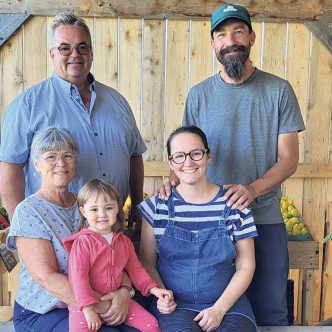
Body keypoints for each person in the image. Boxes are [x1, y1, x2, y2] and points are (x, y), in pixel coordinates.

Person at [181, 4, 306, 326]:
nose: (230, 40)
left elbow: (289, 159)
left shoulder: (279, 90)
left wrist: (252, 190)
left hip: (264, 218)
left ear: (251, 37)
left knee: (271, 313)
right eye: (221, 35)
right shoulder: (198, 95)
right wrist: (175, 187)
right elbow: (185, 154)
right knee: (213, 313)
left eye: (238, 31)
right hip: (211, 222)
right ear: (213, 44)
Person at [0, 12, 145, 237]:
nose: (74, 54)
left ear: (91, 53)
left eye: (82, 47)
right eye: (64, 47)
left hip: (114, 230)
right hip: (56, 234)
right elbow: (10, 168)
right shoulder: (27, 105)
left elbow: (134, 155)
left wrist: (137, 204)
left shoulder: (117, 101)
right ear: (52, 54)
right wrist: (22, 230)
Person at [6, 127, 139, 332]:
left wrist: (124, 291)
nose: (61, 163)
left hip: (95, 300)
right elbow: (46, 278)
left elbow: (114, 254)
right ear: (36, 164)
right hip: (46, 310)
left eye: (67, 155)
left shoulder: (87, 205)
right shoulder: (29, 211)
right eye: (51, 156)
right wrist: (103, 306)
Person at [139, 126, 258, 332]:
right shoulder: (156, 206)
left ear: (208, 155)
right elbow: (147, 261)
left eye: (195, 153)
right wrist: (161, 295)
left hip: (229, 304)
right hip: (175, 306)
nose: (188, 162)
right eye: (179, 156)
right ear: (170, 163)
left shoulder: (234, 205)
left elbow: (246, 265)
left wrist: (219, 309)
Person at [63, 179, 173, 332]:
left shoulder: (124, 242)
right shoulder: (82, 243)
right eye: (94, 209)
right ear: (83, 211)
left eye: (108, 208)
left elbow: (137, 270)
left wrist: (154, 289)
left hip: (117, 300)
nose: (102, 214)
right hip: (85, 303)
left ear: (117, 209)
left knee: (151, 326)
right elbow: (78, 278)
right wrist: (88, 309)